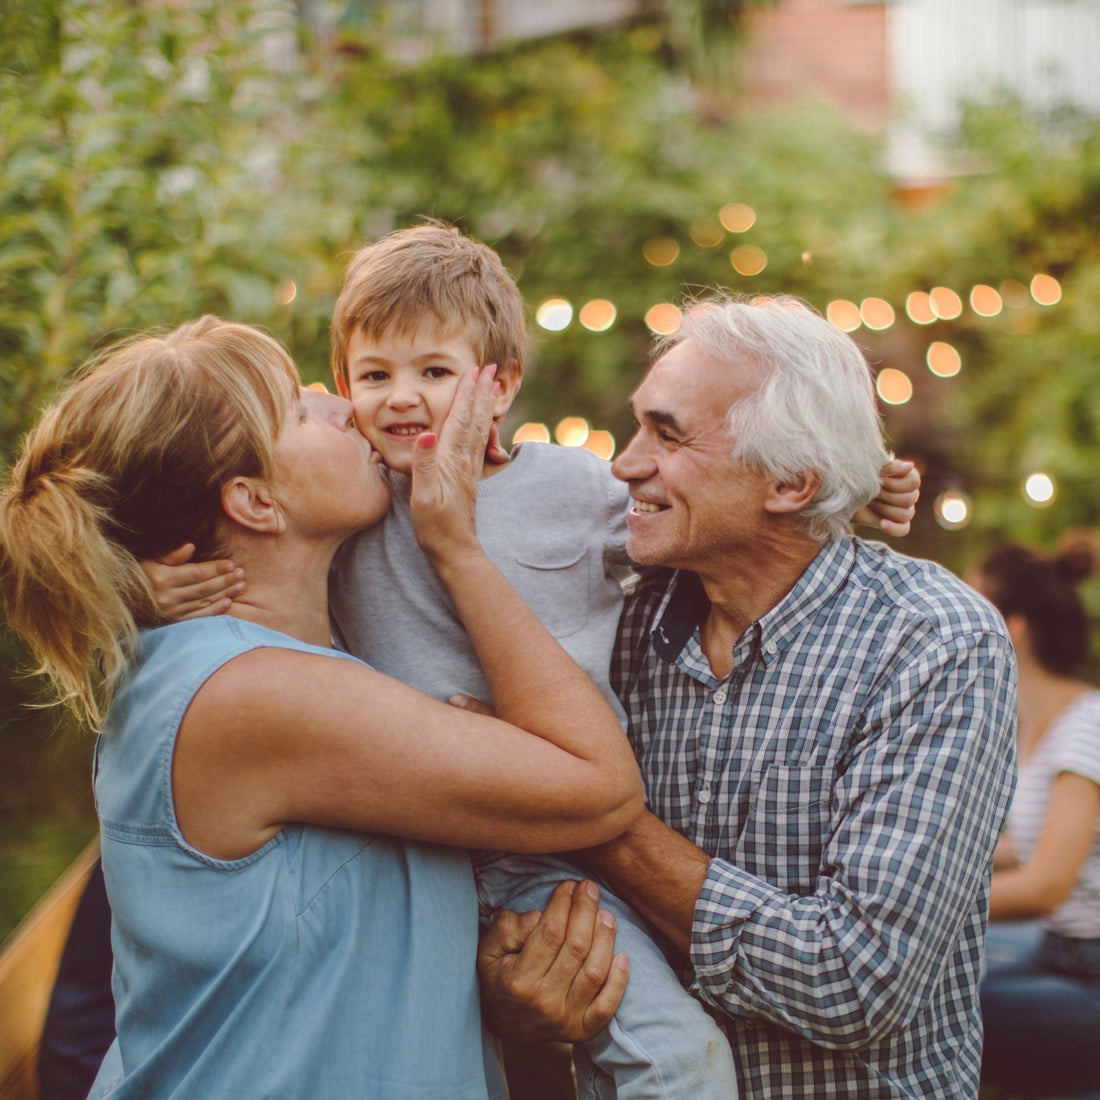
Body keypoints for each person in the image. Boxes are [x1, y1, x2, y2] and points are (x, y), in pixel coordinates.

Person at [147, 226, 921, 1099]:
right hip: (416, 838)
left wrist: (859, 483)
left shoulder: (569, 491)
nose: (401, 400)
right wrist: (145, 583)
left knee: (681, 1061)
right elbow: (218, 534)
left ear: (500, 384)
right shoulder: (358, 504)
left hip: (549, 854)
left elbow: (714, 511)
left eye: (434, 373)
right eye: (374, 377)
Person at [0, 317, 645, 1099]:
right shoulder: (251, 692)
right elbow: (600, 786)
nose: (339, 405)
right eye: (297, 409)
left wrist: (495, 988)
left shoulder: (230, 666)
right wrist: (454, 546)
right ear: (255, 502)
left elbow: (323, 954)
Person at [475, 293, 1019, 1099]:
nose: (624, 463)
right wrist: (515, 1000)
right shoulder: (612, 619)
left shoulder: (934, 642)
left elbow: (855, 981)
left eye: (667, 433)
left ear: (793, 482)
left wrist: (576, 804)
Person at [969, 537, 1100, 1097]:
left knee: (916, 1009)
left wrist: (918, 904)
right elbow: (1021, 845)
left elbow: (1047, 884)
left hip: (1090, 974)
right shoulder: (1036, 728)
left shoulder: (1086, 725)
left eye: (966, 606)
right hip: (1058, 953)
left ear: (1010, 628)